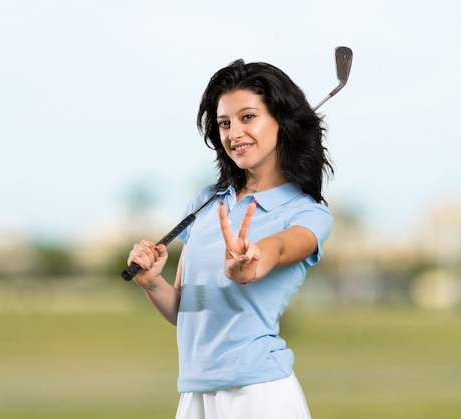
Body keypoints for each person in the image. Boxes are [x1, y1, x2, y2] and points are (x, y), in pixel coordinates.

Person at [127, 58, 334, 419]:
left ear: (281, 122)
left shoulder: (308, 214)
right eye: (224, 123)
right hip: (195, 392)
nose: (233, 133)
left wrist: (252, 260)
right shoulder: (205, 202)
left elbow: (282, 247)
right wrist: (150, 282)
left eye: (248, 117)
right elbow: (184, 310)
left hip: (259, 395)